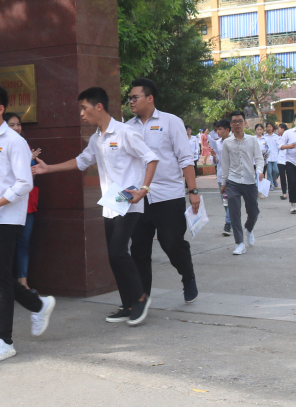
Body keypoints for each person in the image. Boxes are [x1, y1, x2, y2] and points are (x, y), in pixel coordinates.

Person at [33, 87, 158, 324]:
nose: (81, 114)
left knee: (118, 252)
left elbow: (151, 158)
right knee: (113, 256)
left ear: (98, 106)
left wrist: (144, 189)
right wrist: (48, 168)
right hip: (110, 202)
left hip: (129, 202)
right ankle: (128, 304)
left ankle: (141, 298)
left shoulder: (125, 132)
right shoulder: (96, 139)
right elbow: (81, 161)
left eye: (84, 108)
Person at [0, 85, 55, 363]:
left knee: (0, 279)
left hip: (8, 217)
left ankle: (4, 341)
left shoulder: (14, 141)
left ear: (0, 109)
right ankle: (38, 304)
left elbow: (24, 183)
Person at [125, 78, 200, 304]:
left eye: (135, 97)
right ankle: (142, 299)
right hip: (138, 197)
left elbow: (185, 158)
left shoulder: (171, 122)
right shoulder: (127, 127)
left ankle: (188, 276)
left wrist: (193, 190)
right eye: (129, 98)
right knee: (139, 249)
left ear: (150, 98)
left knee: (172, 243)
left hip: (168, 195)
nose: (130, 101)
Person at [220, 111, 265, 256]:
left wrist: (259, 171)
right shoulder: (227, 143)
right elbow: (225, 164)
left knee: (253, 212)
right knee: (234, 212)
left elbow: (259, 159)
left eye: (240, 121)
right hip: (233, 181)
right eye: (234, 121)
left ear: (244, 123)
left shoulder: (252, 140)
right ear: (231, 125)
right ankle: (239, 243)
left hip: (249, 180)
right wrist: (224, 182)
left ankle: (249, 229)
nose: (237, 124)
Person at [3, 112, 39, 289]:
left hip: (27, 202)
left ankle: (23, 283)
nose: (17, 128)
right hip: (8, 203)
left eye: (18, 124)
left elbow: (30, 176)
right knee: (7, 244)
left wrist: (32, 168)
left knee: (24, 242)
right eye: (12, 125)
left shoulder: (25, 146)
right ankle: (5, 283)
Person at [207, 119, 232, 237]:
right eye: (217, 129)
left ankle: (228, 224)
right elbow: (215, 162)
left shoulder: (234, 142)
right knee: (225, 201)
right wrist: (214, 156)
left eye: (220, 129)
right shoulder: (217, 143)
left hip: (233, 176)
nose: (218, 132)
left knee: (232, 200)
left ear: (227, 130)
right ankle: (232, 221)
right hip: (221, 176)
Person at [254, 123, 269, 199]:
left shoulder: (265, 139)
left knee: (261, 175)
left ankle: (262, 192)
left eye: (261, 129)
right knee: (254, 176)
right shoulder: (253, 139)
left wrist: (266, 155)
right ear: (255, 130)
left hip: (263, 160)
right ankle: (255, 191)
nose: (259, 131)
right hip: (254, 160)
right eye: (258, 129)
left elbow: (268, 149)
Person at [264, 123, 281, 191]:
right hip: (267, 157)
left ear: (272, 128)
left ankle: (274, 179)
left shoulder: (276, 137)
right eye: (267, 127)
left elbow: (279, 146)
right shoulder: (264, 137)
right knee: (269, 171)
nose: (269, 128)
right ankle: (270, 184)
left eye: (270, 127)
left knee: (276, 170)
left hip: (275, 156)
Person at [275, 123, 289, 200]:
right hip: (280, 160)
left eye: (279, 128)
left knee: (290, 177)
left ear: (283, 129)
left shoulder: (289, 137)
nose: (278, 130)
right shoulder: (278, 138)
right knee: (282, 177)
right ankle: (284, 193)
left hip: (289, 159)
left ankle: (291, 192)